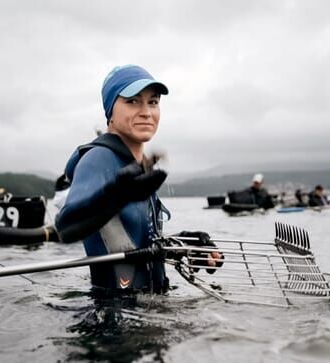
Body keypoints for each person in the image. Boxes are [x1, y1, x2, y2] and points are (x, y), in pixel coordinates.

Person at [56, 64, 221, 293]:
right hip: (113, 317)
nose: (146, 112)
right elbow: (66, 227)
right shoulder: (98, 159)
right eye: (133, 101)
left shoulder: (135, 168)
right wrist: (118, 195)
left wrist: (183, 244)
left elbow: (134, 241)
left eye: (153, 102)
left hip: (149, 310)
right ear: (110, 111)